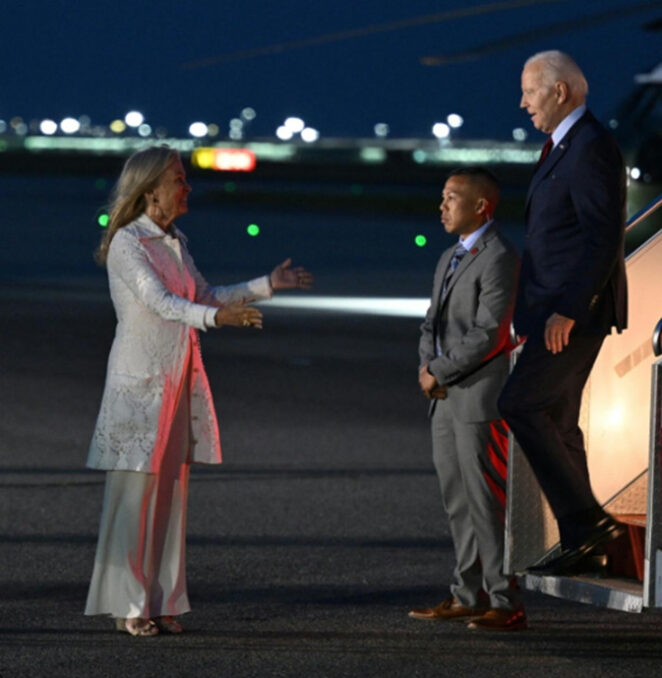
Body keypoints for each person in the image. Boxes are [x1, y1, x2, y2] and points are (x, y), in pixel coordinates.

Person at [84, 145, 313, 636]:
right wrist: (216, 318)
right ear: (151, 193)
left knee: (170, 496)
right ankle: (130, 603)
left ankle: (161, 600)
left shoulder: (175, 240)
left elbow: (203, 295)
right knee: (135, 497)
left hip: (177, 380)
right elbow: (160, 302)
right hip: (139, 386)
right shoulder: (129, 243)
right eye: (179, 180)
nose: (187, 187)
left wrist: (266, 284)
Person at [498, 51, 628, 576]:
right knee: (559, 421)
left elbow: (602, 237)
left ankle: (587, 523)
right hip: (555, 312)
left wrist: (567, 311)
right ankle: (589, 541)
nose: (523, 101)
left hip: (571, 316)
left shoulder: (590, 146)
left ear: (560, 91)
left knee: (519, 403)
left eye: (530, 91)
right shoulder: (566, 146)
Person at [408, 167, 524, 631]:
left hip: (477, 396)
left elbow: (490, 333)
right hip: (443, 396)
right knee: (457, 500)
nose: (442, 206)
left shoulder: (499, 256)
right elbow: (430, 324)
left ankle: (505, 599)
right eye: (441, 197)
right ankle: (467, 593)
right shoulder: (448, 257)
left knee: (485, 499)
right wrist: (427, 368)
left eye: (451, 198)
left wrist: (438, 370)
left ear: (482, 206)